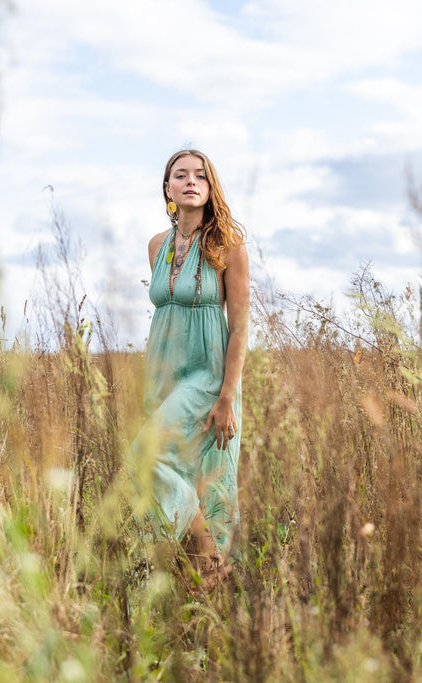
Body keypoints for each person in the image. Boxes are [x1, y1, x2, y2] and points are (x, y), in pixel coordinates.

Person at [130, 149, 249, 591]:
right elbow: (168, 311)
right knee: (182, 472)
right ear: (168, 189)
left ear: (210, 186)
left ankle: (212, 558)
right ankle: (200, 588)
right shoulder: (157, 247)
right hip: (163, 370)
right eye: (180, 175)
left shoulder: (228, 247)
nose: (190, 181)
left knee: (147, 456)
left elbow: (239, 327)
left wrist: (226, 397)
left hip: (206, 373)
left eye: (200, 175)